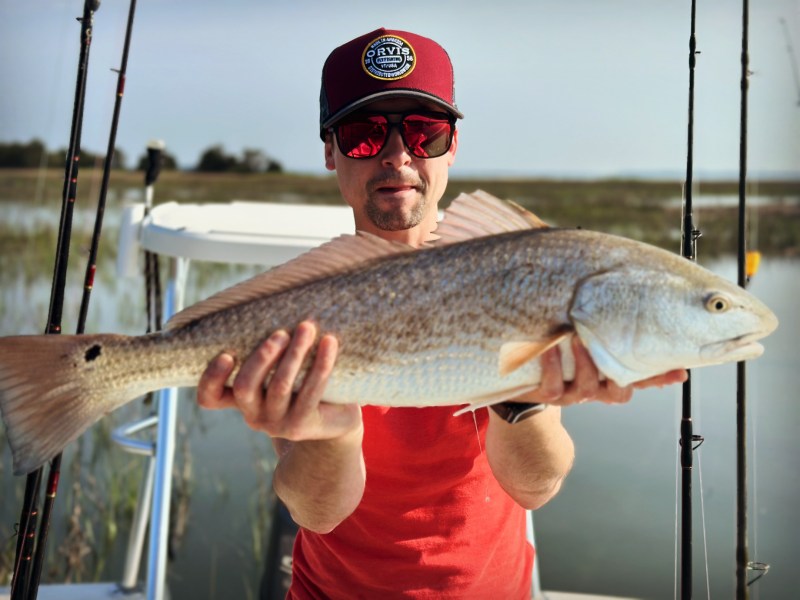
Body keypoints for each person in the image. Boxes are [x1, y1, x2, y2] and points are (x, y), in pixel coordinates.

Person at [196, 28, 686, 598]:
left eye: (425, 133)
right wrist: (330, 436)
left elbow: (535, 486)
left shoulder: (515, 275)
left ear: (453, 145)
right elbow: (320, 513)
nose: (398, 155)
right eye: (362, 134)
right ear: (329, 150)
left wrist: (520, 399)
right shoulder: (310, 304)